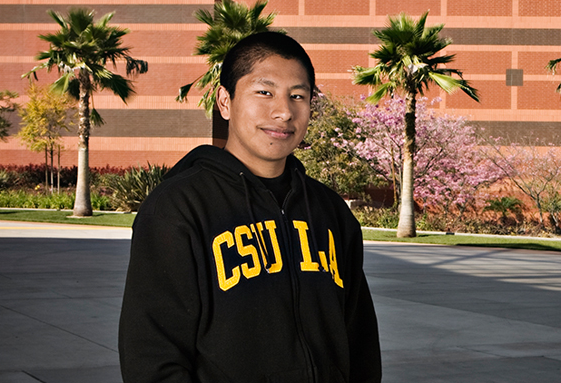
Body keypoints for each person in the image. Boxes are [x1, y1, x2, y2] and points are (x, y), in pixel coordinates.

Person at [119, 32, 382, 382]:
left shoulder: (330, 212)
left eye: (298, 96)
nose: (284, 112)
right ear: (225, 101)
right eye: (264, 92)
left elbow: (360, 341)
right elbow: (152, 355)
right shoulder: (179, 209)